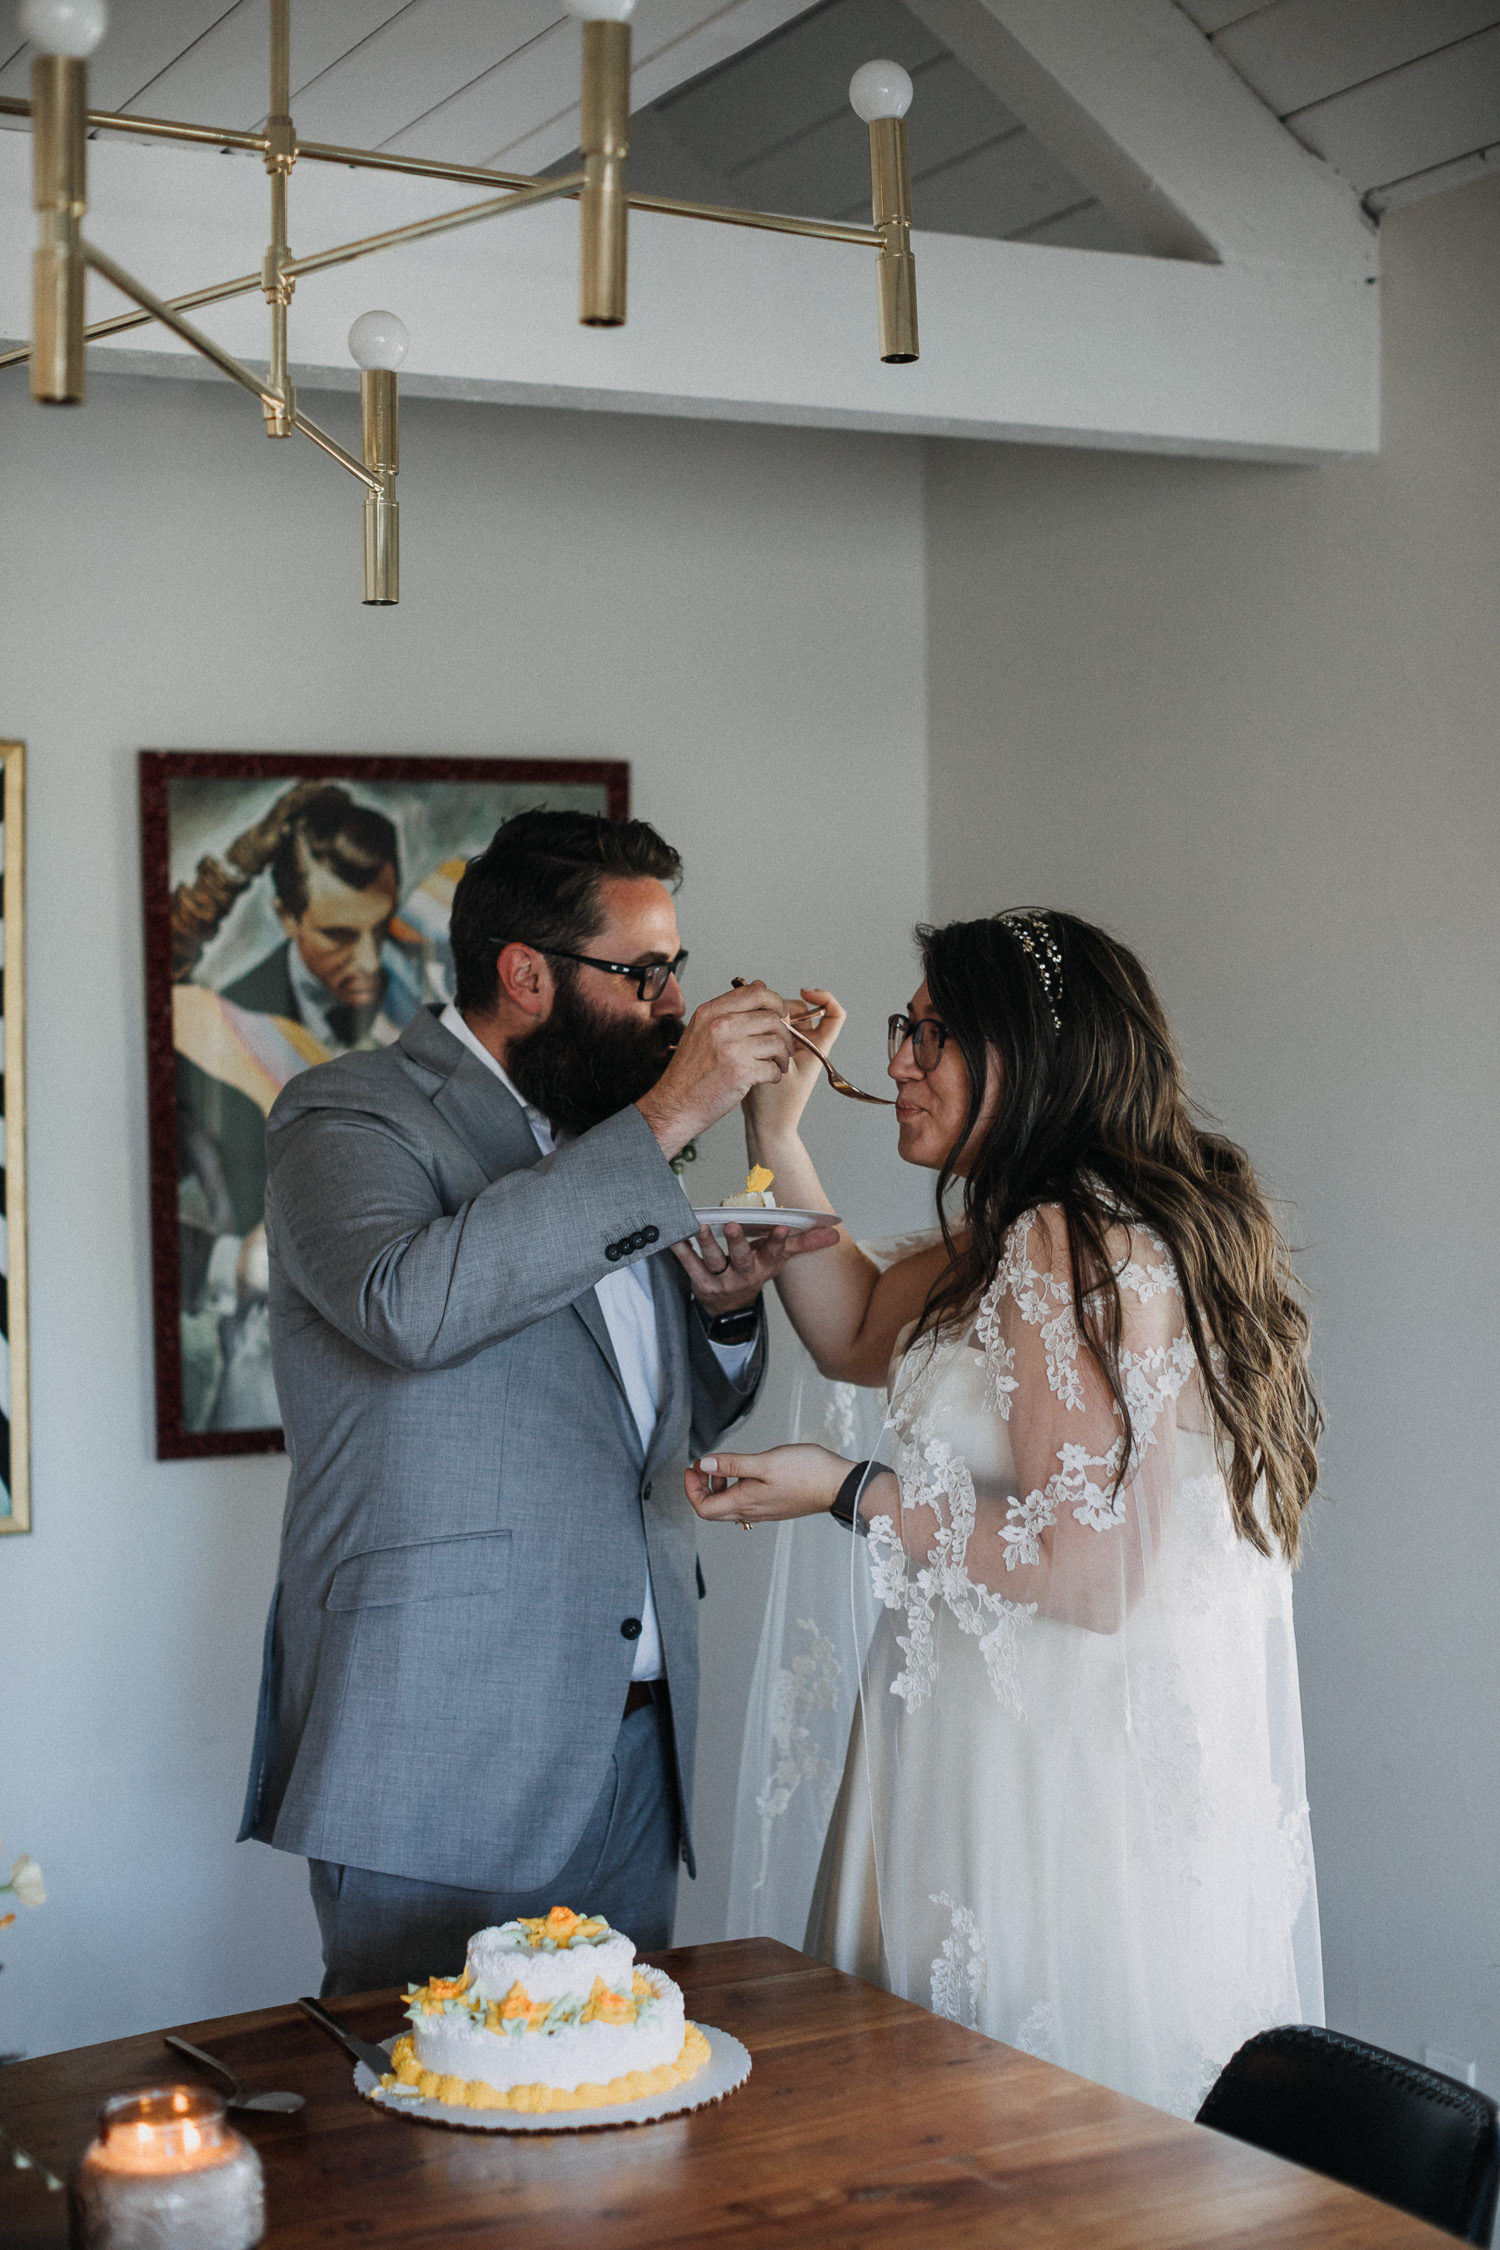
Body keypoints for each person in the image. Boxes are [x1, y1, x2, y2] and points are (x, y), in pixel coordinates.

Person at [689, 910, 1325, 2117]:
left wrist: (844, 1492)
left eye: (934, 1034)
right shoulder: (1023, 1222)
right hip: (998, 1729)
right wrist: (773, 1131)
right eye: (905, 1029)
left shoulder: (1058, 1236)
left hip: (1028, 1767)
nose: (898, 1063)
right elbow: (857, 1327)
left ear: (1031, 1055)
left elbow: (1089, 1573)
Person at [238, 809, 837, 1994]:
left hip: (635, 1739)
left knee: (624, 2126)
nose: (674, 1006)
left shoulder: (601, 1144)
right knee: (429, 2126)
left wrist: (719, 1315)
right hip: (440, 1741)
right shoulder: (344, 1115)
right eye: (646, 973)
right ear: (524, 974)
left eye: (676, 971)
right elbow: (410, 1307)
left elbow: (660, 1427)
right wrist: (674, 1111)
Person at [174, 786, 424, 1431]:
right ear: (286, 915)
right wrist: (231, 1265)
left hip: (433, 1389)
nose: (368, 962)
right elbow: (109, 1219)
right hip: (276, 1388)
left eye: (380, 924)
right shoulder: (214, 1030)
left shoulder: (436, 1001)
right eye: (339, 935)